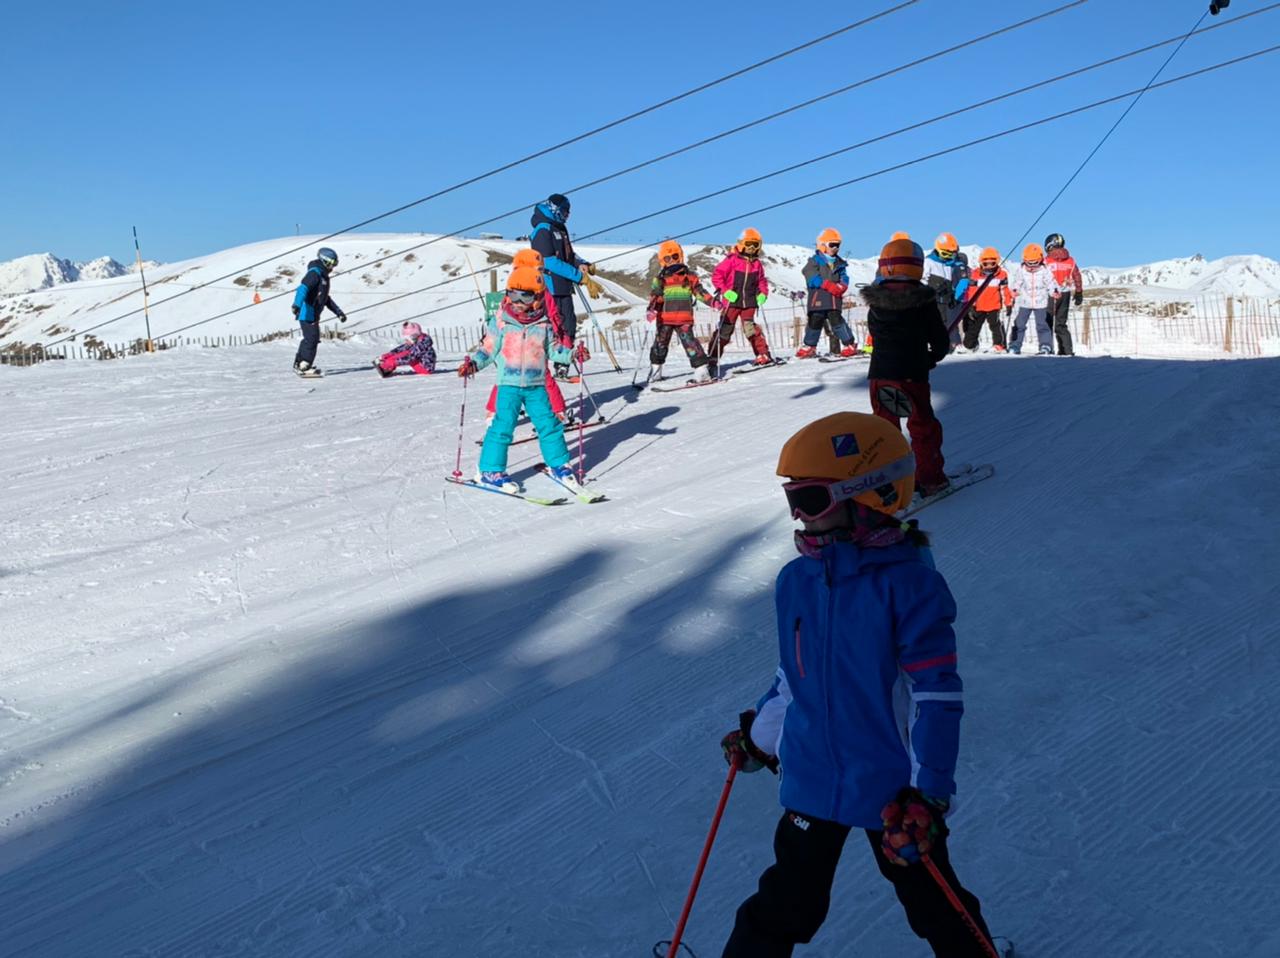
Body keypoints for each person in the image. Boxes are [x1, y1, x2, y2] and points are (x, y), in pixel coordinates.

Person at [720, 410, 996, 958]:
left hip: (890, 790)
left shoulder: (910, 586)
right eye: (791, 500)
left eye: (812, 500)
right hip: (813, 776)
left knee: (935, 903)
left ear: (869, 497)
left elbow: (935, 695)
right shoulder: (795, 580)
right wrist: (760, 738)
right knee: (782, 903)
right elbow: (792, 678)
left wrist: (928, 792)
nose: (798, 516)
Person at [458, 267, 580, 492]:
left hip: (536, 386)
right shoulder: (501, 321)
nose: (518, 301)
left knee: (549, 425)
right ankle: (489, 471)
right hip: (508, 385)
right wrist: (474, 363)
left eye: (526, 296)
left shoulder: (544, 323)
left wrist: (572, 354)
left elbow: (554, 350)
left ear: (538, 297)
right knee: (502, 427)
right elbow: (488, 348)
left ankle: (559, 465)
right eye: (513, 294)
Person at [862, 238, 951, 497]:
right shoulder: (923, 300)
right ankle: (931, 479)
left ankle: (889, 485)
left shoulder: (875, 301)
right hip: (912, 375)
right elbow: (939, 339)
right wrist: (932, 356)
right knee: (923, 428)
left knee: (885, 429)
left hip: (880, 375)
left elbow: (876, 333)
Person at [483, 249, 574, 426]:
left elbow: (550, 314)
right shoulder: (529, 290)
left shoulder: (524, 291)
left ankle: (495, 412)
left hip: (525, 341)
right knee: (521, 376)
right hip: (523, 341)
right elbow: (552, 314)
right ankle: (556, 410)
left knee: (522, 375)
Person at [529, 193, 597, 379]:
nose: (567, 215)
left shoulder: (560, 228)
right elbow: (549, 261)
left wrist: (582, 264)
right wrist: (578, 277)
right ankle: (539, 368)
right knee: (551, 328)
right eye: (565, 211)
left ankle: (562, 365)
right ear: (555, 209)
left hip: (563, 287)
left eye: (568, 212)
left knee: (568, 326)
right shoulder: (543, 229)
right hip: (549, 287)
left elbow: (568, 255)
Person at [646, 240, 715, 382]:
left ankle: (702, 371)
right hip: (665, 318)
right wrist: (652, 309)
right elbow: (655, 296)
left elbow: (699, 292)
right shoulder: (660, 279)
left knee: (690, 343)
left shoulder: (689, 276)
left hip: (684, 318)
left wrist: (714, 302)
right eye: (667, 258)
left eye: (675, 256)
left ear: (681, 256)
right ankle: (655, 371)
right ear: (662, 260)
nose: (672, 260)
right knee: (660, 344)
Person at [709, 228, 774, 372]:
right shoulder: (731, 260)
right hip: (732, 302)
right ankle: (713, 357)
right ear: (741, 244)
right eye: (749, 244)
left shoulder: (757, 264)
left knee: (751, 329)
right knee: (725, 330)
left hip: (749, 301)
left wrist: (763, 293)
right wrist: (725, 292)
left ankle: (762, 354)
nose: (752, 248)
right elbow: (717, 276)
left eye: (755, 245)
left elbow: (762, 281)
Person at [796, 229, 856, 359]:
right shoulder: (815, 260)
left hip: (833, 299)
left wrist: (842, 286)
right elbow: (810, 274)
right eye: (832, 244)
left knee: (837, 321)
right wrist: (827, 285)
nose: (835, 248)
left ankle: (849, 344)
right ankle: (810, 346)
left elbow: (844, 277)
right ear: (823, 245)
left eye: (837, 245)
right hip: (818, 297)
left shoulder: (840, 263)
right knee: (815, 321)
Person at [291, 246, 346, 376]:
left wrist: (338, 312)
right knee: (312, 338)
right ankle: (304, 366)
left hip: (313, 313)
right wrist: (296, 304)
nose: (333, 267)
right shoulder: (314, 273)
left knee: (310, 338)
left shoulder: (323, 277)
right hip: (307, 311)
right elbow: (302, 288)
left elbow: (325, 299)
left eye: (335, 264)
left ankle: (300, 363)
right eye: (332, 263)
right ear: (324, 261)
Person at [1008, 243, 1062, 355]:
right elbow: (1017, 282)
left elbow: (1051, 283)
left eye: (1035, 263)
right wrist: (1014, 290)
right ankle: (1014, 345)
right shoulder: (1021, 270)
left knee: (1042, 325)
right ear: (1024, 261)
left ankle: (1045, 346)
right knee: (1019, 324)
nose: (1032, 266)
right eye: (1029, 263)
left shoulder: (1045, 270)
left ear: (1040, 260)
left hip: (1040, 303)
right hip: (1025, 302)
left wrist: (1054, 291)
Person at [922, 233, 970, 349]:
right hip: (933, 300)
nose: (947, 258)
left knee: (946, 322)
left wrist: (953, 294)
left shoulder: (949, 265)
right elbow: (922, 280)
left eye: (951, 255)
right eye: (945, 254)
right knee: (932, 321)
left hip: (946, 300)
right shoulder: (929, 262)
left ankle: (946, 345)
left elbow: (953, 283)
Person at [960, 247, 1011, 352]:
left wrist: (1008, 303)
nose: (989, 266)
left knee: (995, 326)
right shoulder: (975, 274)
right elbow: (971, 291)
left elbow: (1005, 290)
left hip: (994, 306)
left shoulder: (1001, 275)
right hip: (979, 306)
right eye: (986, 263)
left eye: (992, 263)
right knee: (974, 327)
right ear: (981, 262)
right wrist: (971, 305)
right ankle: (969, 345)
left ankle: (999, 345)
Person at [1043, 233, 1084, 356]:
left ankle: (1047, 348)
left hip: (1051, 295)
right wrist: (1078, 292)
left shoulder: (1046, 261)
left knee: (1047, 322)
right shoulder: (1070, 261)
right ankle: (1066, 350)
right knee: (1061, 324)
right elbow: (1077, 276)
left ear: (1050, 245)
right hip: (1065, 294)